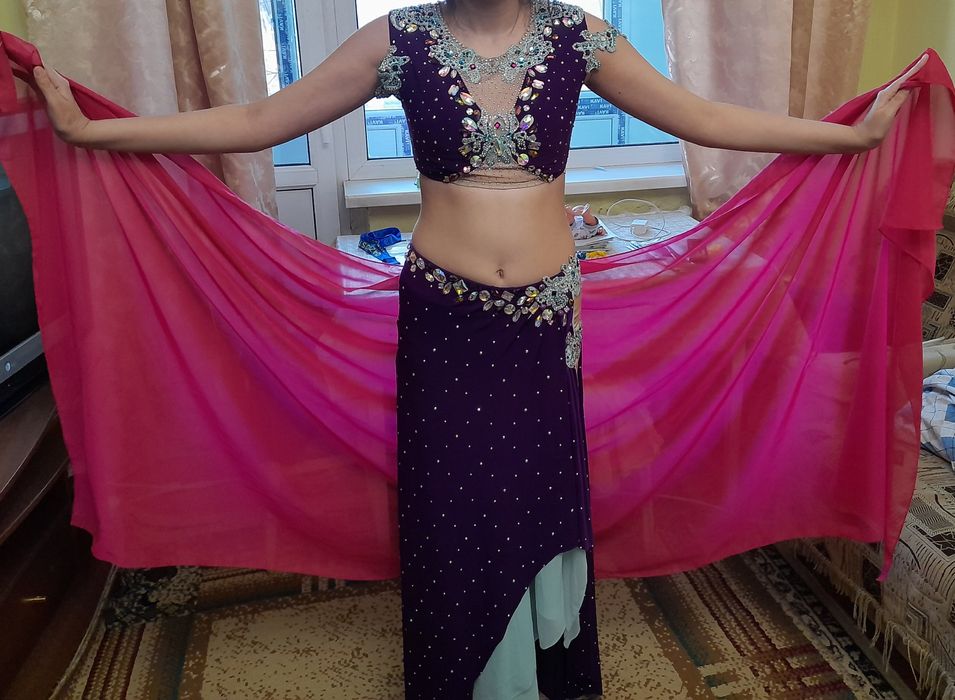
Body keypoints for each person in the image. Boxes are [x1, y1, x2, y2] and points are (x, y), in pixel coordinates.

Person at [29, 1, 927, 698]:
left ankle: (547, 668)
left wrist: (847, 137)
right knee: (451, 500)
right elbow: (260, 118)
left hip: (544, 316)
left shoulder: (579, 37)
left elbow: (703, 116)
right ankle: (460, 675)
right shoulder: (399, 39)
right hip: (444, 315)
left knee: (539, 490)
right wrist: (92, 132)